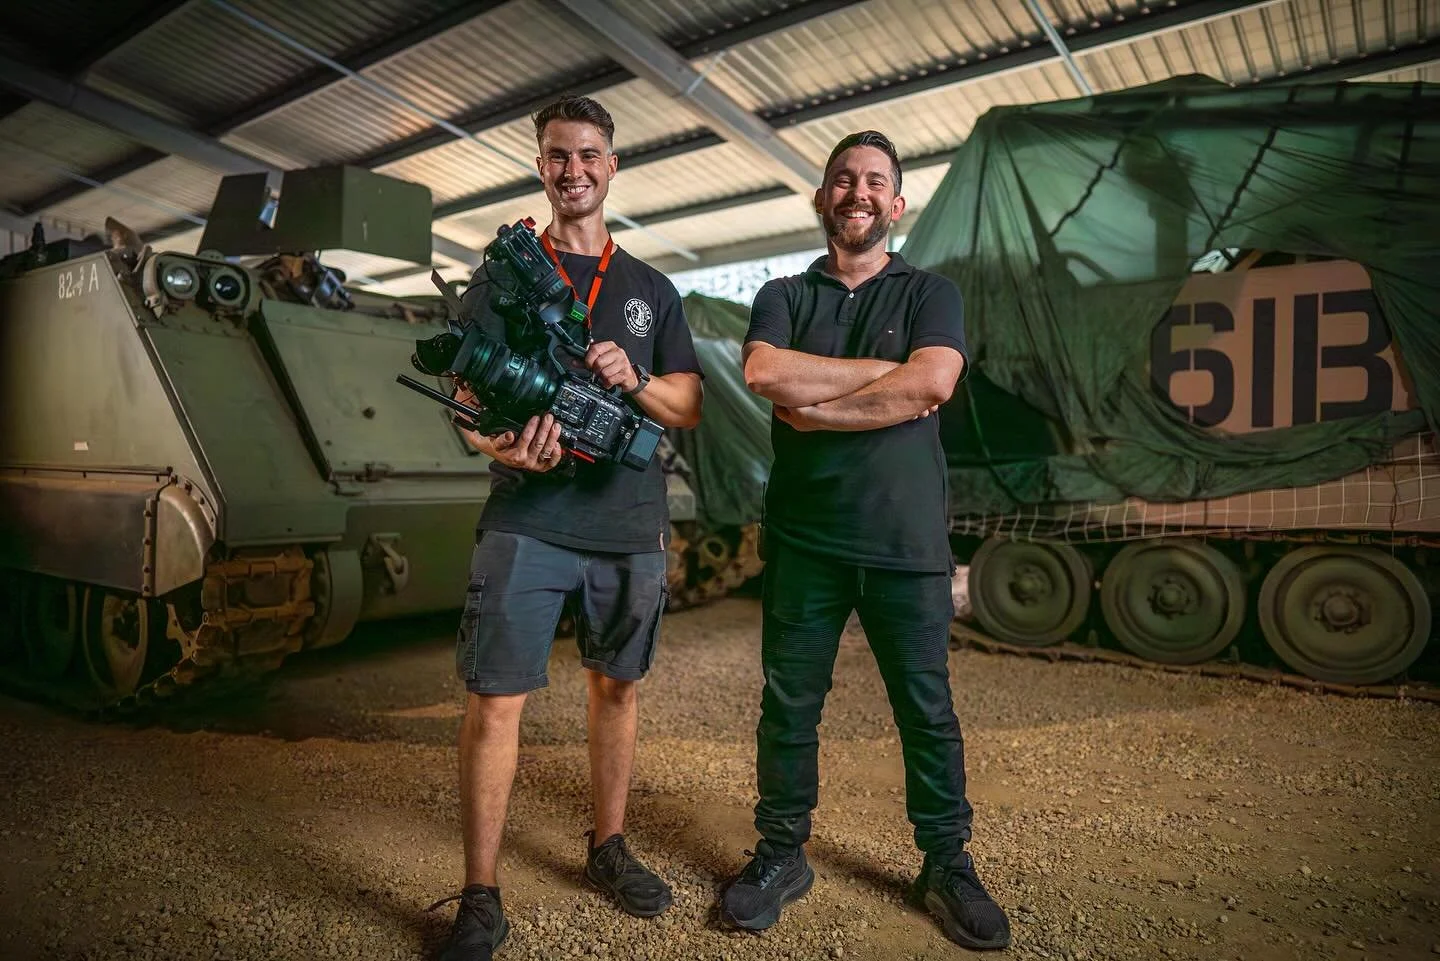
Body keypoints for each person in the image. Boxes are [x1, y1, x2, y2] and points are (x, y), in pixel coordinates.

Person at [718, 130, 1011, 951]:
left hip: (906, 541)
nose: (858, 192)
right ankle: (781, 852)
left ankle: (946, 862)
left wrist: (819, 407)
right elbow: (765, 377)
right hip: (805, 539)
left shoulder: (932, 291)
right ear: (822, 197)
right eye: (843, 179)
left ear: (897, 204)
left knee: (926, 711)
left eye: (875, 182)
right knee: (788, 707)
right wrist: (883, 387)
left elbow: (935, 381)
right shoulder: (781, 290)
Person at [429, 95, 704, 961]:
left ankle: (608, 846)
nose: (573, 169)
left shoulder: (649, 290)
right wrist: (503, 443)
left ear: (612, 165)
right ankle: (480, 894)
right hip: (527, 514)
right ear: (541, 166)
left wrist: (633, 378)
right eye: (558, 155)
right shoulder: (501, 276)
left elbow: (687, 404)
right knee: (495, 698)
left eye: (589, 155)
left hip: (626, 520)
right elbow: (463, 406)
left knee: (617, 687)